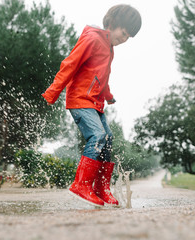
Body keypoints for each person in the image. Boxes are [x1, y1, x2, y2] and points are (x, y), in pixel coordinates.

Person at [42, 4, 141, 207]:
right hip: (80, 99)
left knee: (108, 139)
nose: (124, 39)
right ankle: (81, 185)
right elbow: (70, 64)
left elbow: (101, 77)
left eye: (128, 37)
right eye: (123, 33)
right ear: (113, 24)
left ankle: (101, 188)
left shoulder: (110, 48)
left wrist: (108, 95)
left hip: (96, 102)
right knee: (97, 136)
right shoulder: (93, 38)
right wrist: (54, 90)